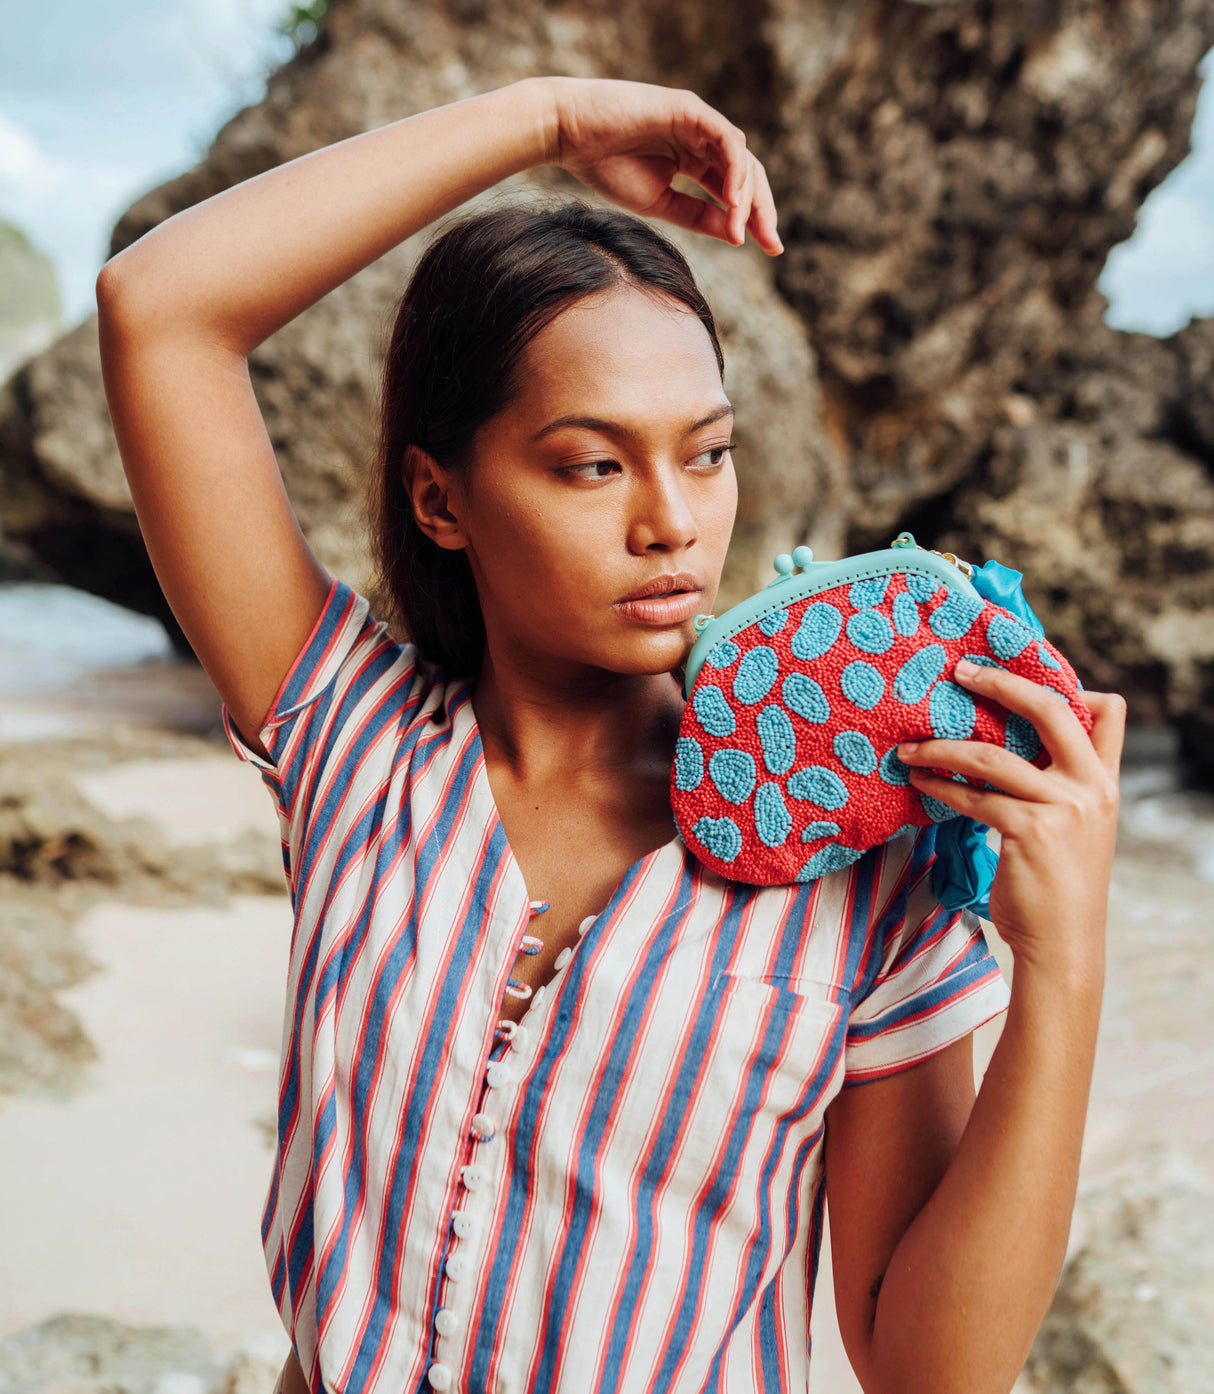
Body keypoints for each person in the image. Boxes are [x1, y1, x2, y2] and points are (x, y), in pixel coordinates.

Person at [95, 75, 1126, 1394]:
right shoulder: (352, 741)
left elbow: (931, 1372)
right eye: (592, 463)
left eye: (703, 454)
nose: (671, 523)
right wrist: (544, 121)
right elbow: (160, 310)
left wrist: (1065, 963)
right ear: (439, 495)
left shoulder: (846, 856)